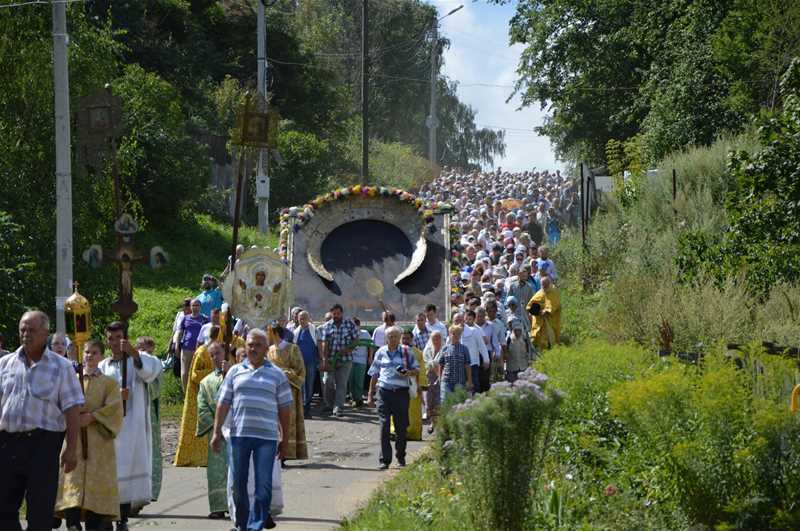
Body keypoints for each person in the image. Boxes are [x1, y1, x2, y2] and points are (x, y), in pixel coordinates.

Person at [0, 310, 84, 531]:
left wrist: (71, 448)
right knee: (3, 510)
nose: (26, 334)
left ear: (45, 333)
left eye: (32, 330)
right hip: (7, 444)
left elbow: (72, 409)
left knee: (40, 514)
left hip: (43, 445)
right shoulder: (5, 364)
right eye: (22, 329)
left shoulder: (61, 366)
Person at [211, 329, 292, 531]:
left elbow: (285, 409)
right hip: (239, 436)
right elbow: (223, 403)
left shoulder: (277, 374)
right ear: (244, 347)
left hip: (266, 438)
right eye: (249, 345)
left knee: (263, 486)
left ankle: (255, 526)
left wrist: (285, 440)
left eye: (257, 345)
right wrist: (216, 432)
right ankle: (243, 524)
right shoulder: (234, 372)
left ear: (266, 348)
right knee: (238, 485)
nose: (253, 348)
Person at [99, 321, 162, 531]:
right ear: (106, 341)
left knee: (127, 471)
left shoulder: (138, 359)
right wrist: (117, 397)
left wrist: (134, 353)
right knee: (110, 472)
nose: (115, 342)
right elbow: (96, 394)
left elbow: (152, 370)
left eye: (118, 338)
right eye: (111, 338)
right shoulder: (103, 366)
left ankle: (123, 518)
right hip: (109, 427)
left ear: (125, 338)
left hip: (132, 425)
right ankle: (107, 516)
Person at [55, 339, 124, 531]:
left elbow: (115, 408)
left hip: (98, 442)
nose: (90, 356)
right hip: (74, 440)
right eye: (86, 352)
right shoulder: (72, 379)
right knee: (72, 480)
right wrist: (72, 415)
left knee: (96, 485)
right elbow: (61, 401)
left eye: (94, 352)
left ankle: (96, 522)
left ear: (101, 356)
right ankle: (72, 522)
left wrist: (93, 417)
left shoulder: (109, 383)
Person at [366, 326, 420, 470]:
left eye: (396, 336)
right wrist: (370, 395)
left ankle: (400, 457)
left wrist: (407, 372)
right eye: (390, 336)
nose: (393, 339)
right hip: (384, 392)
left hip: (401, 393)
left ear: (400, 337)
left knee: (401, 427)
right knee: (384, 426)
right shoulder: (381, 352)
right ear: (386, 338)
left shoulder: (407, 352)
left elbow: (417, 370)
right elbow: (374, 373)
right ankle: (385, 460)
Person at [174, 326, 220, 468]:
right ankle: (193, 458)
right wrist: (214, 372)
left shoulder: (217, 351)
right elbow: (194, 375)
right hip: (198, 395)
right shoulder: (201, 351)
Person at [196, 342, 230, 520]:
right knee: (216, 471)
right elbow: (202, 408)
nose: (215, 357)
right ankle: (218, 506)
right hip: (215, 432)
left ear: (225, 352)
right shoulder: (205, 382)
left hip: (235, 430)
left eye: (218, 353)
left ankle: (236, 504)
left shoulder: (236, 374)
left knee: (235, 469)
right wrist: (217, 426)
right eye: (212, 354)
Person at [267, 324, 308, 462]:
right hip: (272, 390)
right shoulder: (269, 350)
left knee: (287, 420)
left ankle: (286, 452)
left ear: (275, 334)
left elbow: (300, 370)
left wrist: (283, 373)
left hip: (288, 389)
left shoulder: (292, 349)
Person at [135, 336, 163, 504]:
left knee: (150, 447)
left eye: (149, 351)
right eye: (143, 350)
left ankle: (150, 489)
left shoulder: (153, 363)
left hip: (149, 410)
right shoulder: (130, 361)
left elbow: (155, 385)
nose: (146, 354)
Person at [319, 304, 359, 417]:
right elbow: (324, 344)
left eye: (338, 313)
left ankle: (338, 408)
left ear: (341, 313)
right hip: (331, 359)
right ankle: (329, 405)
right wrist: (324, 360)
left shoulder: (349, 323)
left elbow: (356, 340)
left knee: (341, 384)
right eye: (334, 314)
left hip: (345, 360)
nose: (336, 316)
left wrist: (348, 349)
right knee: (327, 381)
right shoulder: (327, 326)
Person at [173, 299, 210, 390]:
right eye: (193, 305)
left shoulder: (205, 319)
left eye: (197, 305)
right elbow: (180, 332)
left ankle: (198, 392)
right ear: (190, 307)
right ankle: (186, 393)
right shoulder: (186, 318)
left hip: (200, 349)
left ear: (200, 307)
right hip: (186, 348)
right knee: (185, 372)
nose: (195, 307)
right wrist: (177, 346)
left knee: (198, 371)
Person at [400, 329, 425, 442]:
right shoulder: (395, 351)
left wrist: (421, 385)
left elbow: (422, 370)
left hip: (413, 383)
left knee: (413, 409)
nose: (405, 340)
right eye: (403, 338)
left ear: (412, 339)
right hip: (398, 383)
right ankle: (397, 431)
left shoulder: (418, 352)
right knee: (398, 408)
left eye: (407, 338)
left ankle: (414, 433)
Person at [437, 325, 472, 403]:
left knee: (459, 403)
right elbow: (441, 364)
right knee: (445, 403)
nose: (456, 336)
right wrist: (439, 378)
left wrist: (469, 381)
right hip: (446, 381)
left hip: (460, 382)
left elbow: (467, 365)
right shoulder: (445, 348)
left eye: (458, 334)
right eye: (453, 334)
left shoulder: (464, 349)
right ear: (450, 334)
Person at [292, 311, 318, 418]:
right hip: (299, 363)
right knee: (301, 386)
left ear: (308, 318)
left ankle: (307, 408)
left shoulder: (314, 330)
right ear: (297, 319)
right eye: (300, 318)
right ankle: (301, 409)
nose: (302, 320)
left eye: (304, 318)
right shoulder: (295, 332)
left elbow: (319, 345)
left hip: (311, 362)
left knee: (309, 385)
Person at [528, 276, 562, 350]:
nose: (545, 287)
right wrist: (538, 311)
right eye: (543, 285)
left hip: (552, 321)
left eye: (546, 285)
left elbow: (556, 304)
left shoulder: (554, 292)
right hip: (540, 322)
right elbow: (530, 307)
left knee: (552, 339)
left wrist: (547, 311)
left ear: (549, 283)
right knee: (539, 340)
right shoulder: (539, 294)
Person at [422, 331, 444, 434]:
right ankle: (432, 421)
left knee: (438, 402)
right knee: (428, 402)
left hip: (440, 377)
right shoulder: (427, 350)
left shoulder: (444, 350)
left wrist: (436, 368)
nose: (436, 340)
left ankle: (435, 424)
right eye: (434, 338)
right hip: (428, 378)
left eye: (438, 338)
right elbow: (424, 363)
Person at [348, 317, 373, 408]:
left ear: (359, 325)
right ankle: (352, 398)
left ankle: (358, 399)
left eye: (355, 326)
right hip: (350, 359)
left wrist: (370, 357)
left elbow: (370, 345)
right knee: (351, 380)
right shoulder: (348, 333)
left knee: (359, 380)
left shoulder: (365, 333)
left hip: (361, 360)